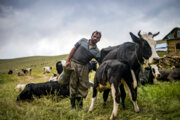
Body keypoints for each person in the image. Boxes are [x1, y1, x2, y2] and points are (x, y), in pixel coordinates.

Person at [66, 31, 101, 109]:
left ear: (99, 40)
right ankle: (73, 106)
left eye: (98, 38)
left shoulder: (97, 51)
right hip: (74, 63)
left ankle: (80, 106)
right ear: (91, 36)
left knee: (83, 85)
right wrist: (68, 60)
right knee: (73, 83)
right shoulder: (83, 41)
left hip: (84, 66)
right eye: (94, 36)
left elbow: (100, 62)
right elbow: (73, 49)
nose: (95, 38)